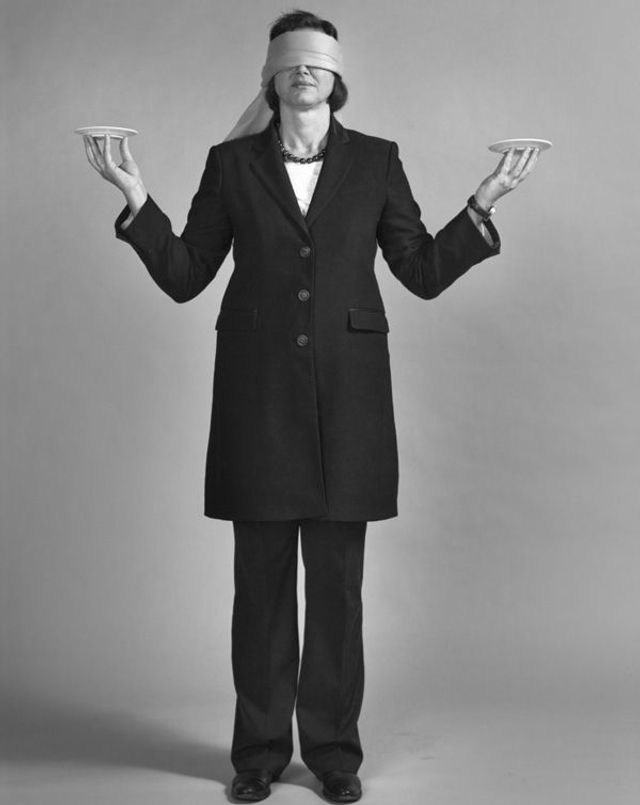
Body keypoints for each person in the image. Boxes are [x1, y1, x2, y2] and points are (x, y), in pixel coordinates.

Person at [82, 9, 540, 803]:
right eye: (291, 60)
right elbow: (188, 273)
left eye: (318, 61)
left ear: (336, 76)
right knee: (260, 592)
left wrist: (482, 204)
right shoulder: (230, 164)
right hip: (257, 403)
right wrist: (136, 196)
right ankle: (259, 752)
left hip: (348, 405)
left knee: (336, 593)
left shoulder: (376, 161)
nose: (305, 70)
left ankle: (332, 752)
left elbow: (421, 270)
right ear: (272, 75)